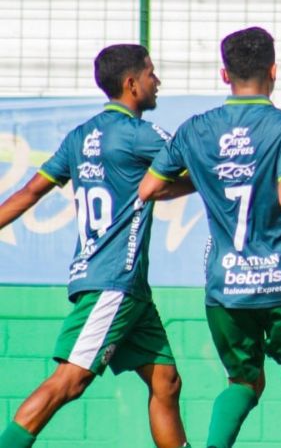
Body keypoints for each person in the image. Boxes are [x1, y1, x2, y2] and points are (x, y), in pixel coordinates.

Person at [138, 27, 281, 448]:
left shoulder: (195, 130)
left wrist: (206, 179)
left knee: (243, 383)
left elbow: (150, 188)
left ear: (224, 74)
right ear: (274, 70)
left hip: (226, 283)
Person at [0, 44, 191, 448]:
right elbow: (197, 164)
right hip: (113, 282)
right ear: (132, 83)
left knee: (166, 381)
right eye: (152, 73)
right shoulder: (140, 135)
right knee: (69, 382)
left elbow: (31, 192)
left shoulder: (80, 136)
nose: (158, 82)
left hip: (125, 287)